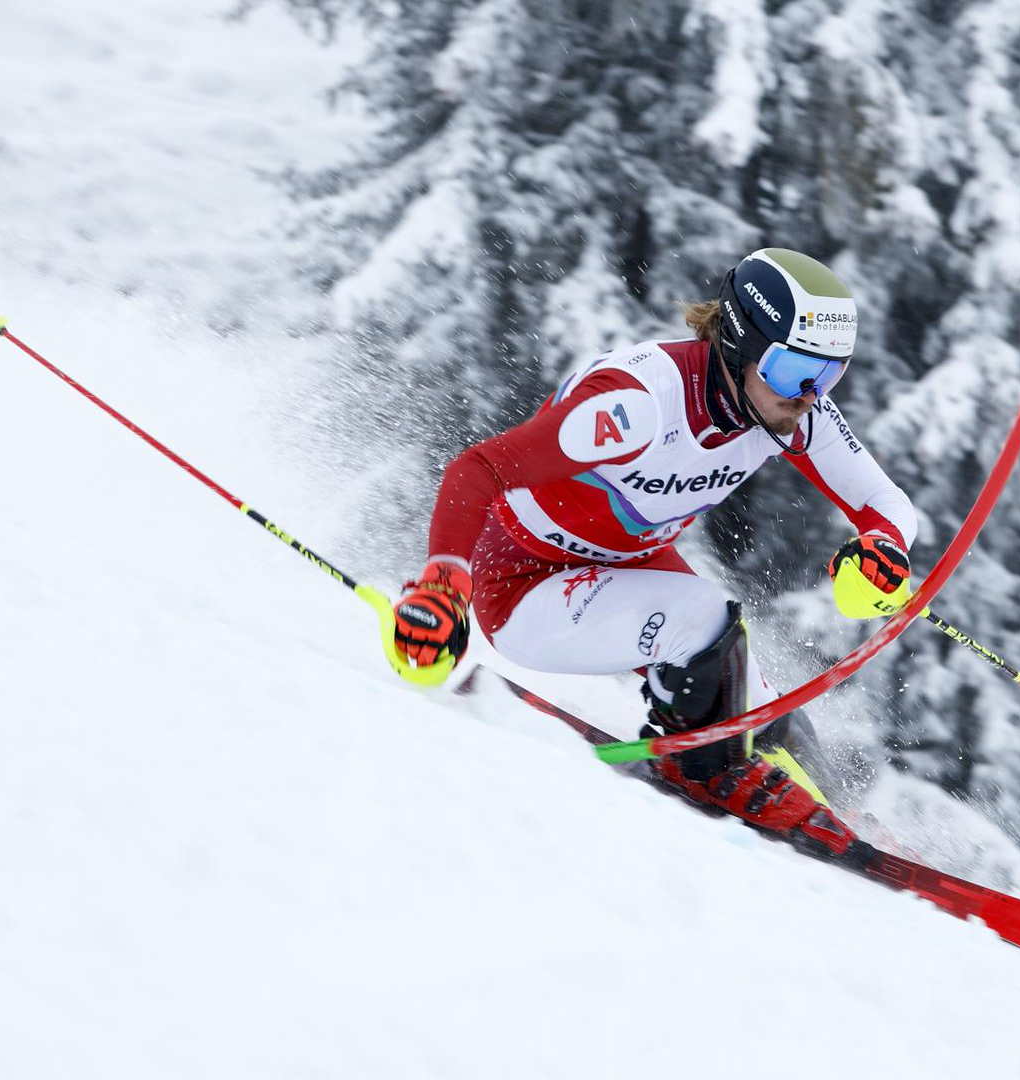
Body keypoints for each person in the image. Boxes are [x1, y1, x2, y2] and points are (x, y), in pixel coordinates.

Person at [389, 248, 918, 859]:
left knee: (765, 707)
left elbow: (882, 498)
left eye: (828, 375)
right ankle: (701, 770)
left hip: (623, 568)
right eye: (794, 368)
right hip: (526, 584)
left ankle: (832, 813)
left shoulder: (787, 408)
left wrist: (884, 545)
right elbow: (478, 468)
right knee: (708, 620)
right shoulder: (638, 404)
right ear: (740, 344)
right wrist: (442, 585)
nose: (808, 395)